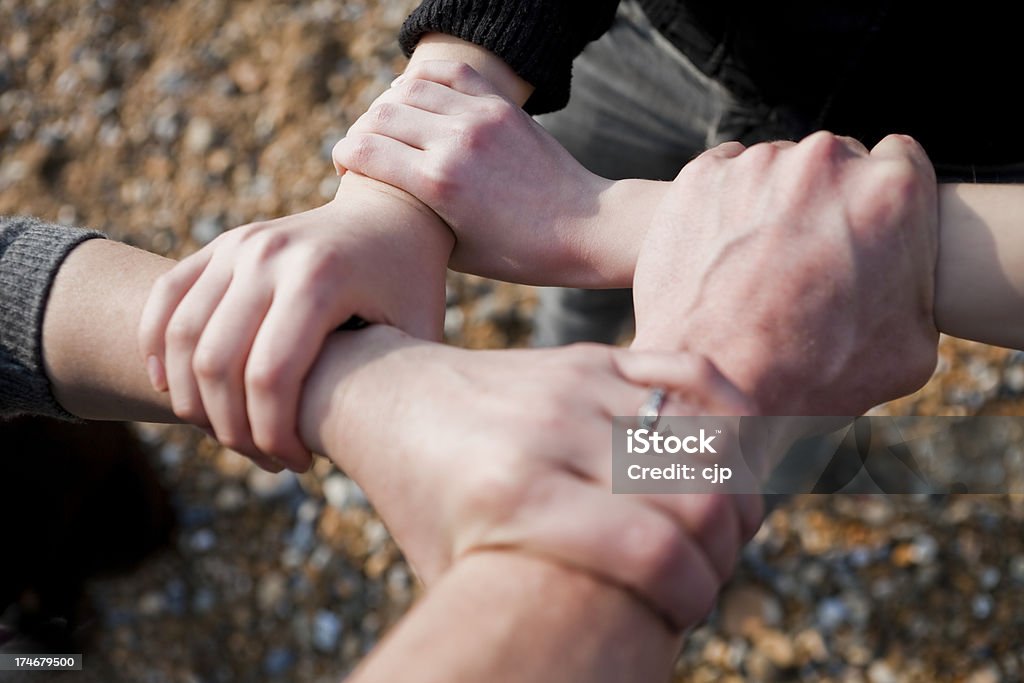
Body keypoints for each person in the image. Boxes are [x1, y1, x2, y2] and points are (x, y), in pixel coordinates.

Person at [393, 0, 1024, 348]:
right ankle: (568, 353)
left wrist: (599, 220)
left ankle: (676, 548)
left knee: (707, 459)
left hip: (940, 177)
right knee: (577, 305)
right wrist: (387, 192)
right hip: (664, 51)